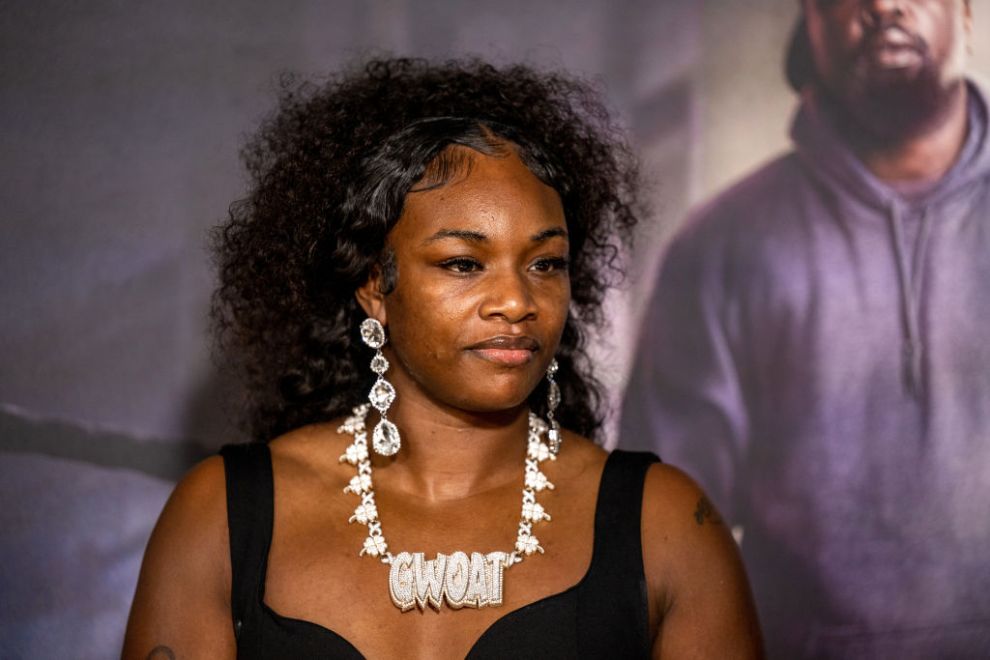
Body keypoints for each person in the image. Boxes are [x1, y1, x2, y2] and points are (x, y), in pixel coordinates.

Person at [122, 58, 762, 659]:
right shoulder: (221, 515)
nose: (516, 300)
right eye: (463, 263)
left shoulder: (669, 527)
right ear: (375, 286)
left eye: (545, 263)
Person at [620, 0, 990, 656]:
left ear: (967, 13)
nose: (882, 5)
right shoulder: (721, 248)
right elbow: (660, 543)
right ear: (810, 22)